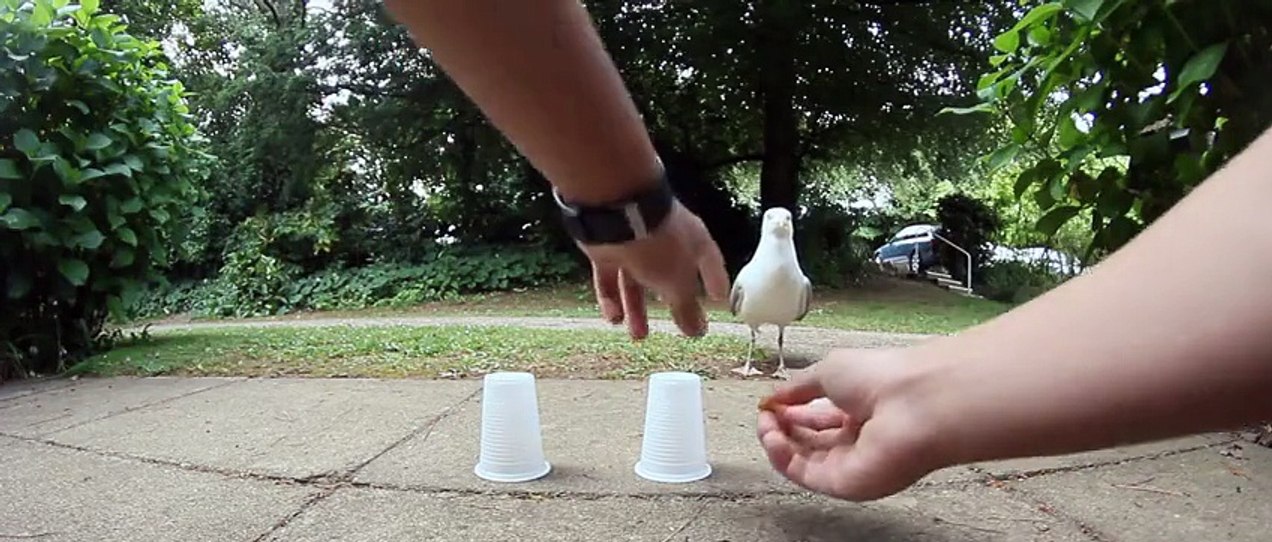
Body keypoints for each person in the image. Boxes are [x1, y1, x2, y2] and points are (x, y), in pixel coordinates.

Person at [385, 0, 1272, 502]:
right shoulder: (756, 270)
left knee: (775, 322)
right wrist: (926, 396)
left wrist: (618, 192)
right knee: (754, 324)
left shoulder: (797, 281)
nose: (778, 235)